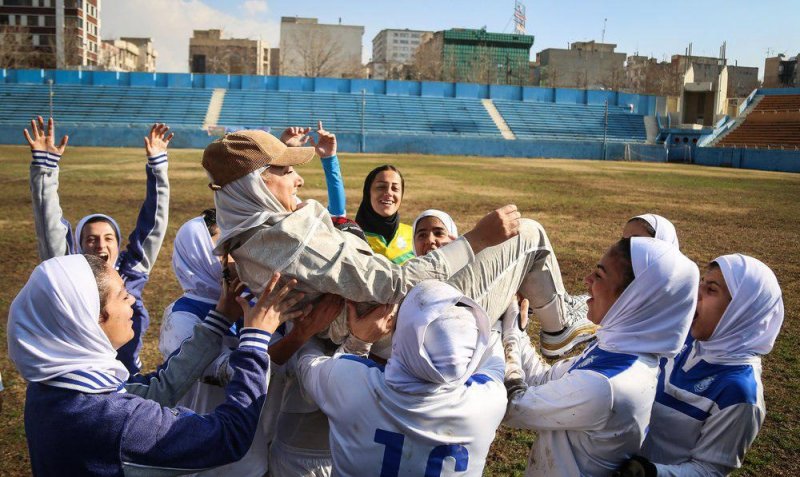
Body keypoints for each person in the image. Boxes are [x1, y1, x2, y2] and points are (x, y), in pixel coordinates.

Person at [7, 253, 301, 476]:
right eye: (122, 296)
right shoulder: (114, 421)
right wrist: (254, 340)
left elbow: (155, 391)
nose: (133, 302)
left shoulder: (51, 388)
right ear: (89, 319)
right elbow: (228, 437)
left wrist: (220, 318)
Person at [503, 237, 700, 476]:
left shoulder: (608, 383)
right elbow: (543, 379)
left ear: (633, 298)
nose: (587, 280)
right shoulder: (619, 350)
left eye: (599, 275)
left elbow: (513, 406)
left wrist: (509, 332)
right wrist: (518, 330)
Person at [296, 280, 507, 476]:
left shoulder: (348, 382)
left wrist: (358, 342)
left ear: (399, 334)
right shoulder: (489, 403)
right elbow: (493, 346)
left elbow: (305, 361)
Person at [25, 116, 172, 374]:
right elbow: (49, 227)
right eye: (91, 239)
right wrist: (45, 170)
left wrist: (158, 166)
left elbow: (154, 224)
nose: (100, 245)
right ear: (79, 245)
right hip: (79, 376)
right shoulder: (69, 274)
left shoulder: (132, 271)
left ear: (118, 242)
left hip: (125, 375)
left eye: (108, 238)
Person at [617, 254, 784, 477]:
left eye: (711, 290)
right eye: (700, 284)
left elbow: (709, 470)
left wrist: (648, 471)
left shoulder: (739, 393)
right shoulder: (685, 339)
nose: (696, 294)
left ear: (742, 309)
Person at [413, 209, 597, 358]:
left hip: (454, 332)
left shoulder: (481, 283)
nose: (430, 240)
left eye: (439, 233)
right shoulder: (413, 273)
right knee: (529, 231)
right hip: (447, 321)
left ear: (454, 238)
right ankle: (560, 326)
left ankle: (563, 310)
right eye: (421, 235)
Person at [355, 165, 414, 264]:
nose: (389, 193)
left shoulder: (414, 235)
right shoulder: (352, 237)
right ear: (368, 192)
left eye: (395, 188)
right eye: (381, 187)